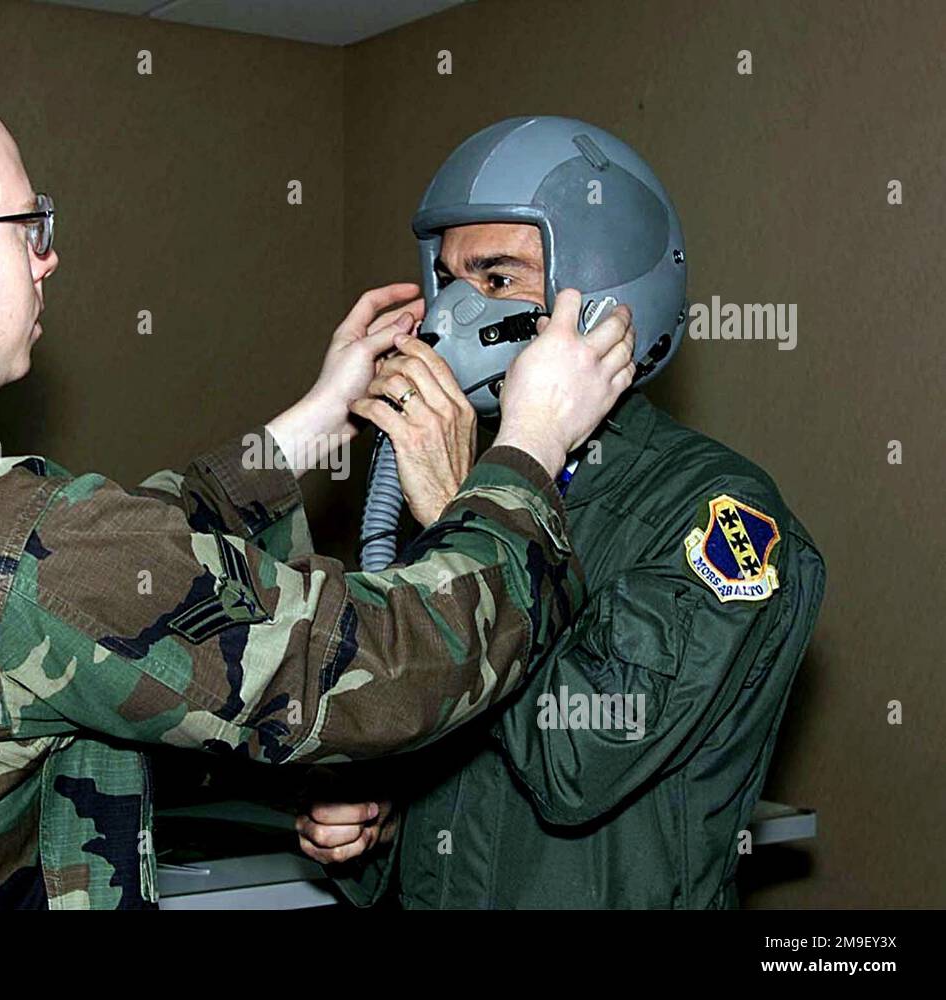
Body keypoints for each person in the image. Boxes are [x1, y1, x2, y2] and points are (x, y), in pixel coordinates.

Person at [0, 85, 636, 909]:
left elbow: (117, 568)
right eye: (28, 224)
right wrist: (529, 448)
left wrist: (304, 429)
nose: (48, 255)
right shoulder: (26, 546)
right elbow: (391, 663)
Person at [296, 117, 826, 909]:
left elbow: (577, 760)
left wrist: (462, 523)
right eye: (448, 281)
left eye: (499, 279)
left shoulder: (720, 517)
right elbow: (459, 772)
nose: (453, 317)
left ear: (608, 298)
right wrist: (376, 825)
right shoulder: (469, 493)